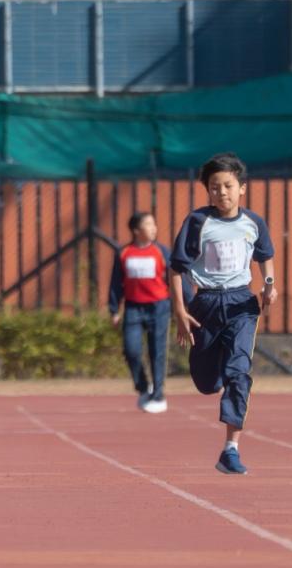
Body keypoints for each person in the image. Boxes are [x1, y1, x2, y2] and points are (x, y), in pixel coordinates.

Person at [170, 153, 277, 476]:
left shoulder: (253, 223)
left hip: (241, 304)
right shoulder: (198, 222)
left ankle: (231, 449)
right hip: (204, 304)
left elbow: (265, 258)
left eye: (228, 186)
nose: (222, 193)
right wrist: (180, 310)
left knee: (239, 372)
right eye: (214, 187)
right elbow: (176, 269)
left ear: (241, 188)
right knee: (206, 383)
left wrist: (269, 286)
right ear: (207, 190)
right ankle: (217, 374)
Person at [108, 212, 174, 414]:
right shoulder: (124, 252)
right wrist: (114, 309)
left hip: (159, 307)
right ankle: (144, 387)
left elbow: (175, 279)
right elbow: (116, 283)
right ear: (136, 230)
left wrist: (187, 304)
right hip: (133, 308)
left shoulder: (161, 251)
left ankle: (159, 395)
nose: (153, 228)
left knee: (157, 351)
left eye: (154, 224)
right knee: (132, 350)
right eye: (148, 224)